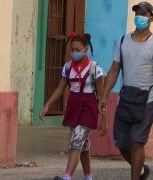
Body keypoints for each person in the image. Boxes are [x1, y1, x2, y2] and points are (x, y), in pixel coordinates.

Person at [100, 2, 153, 180]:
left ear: (151, 18)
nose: (139, 17)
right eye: (137, 13)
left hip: (147, 101)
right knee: (121, 143)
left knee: (137, 142)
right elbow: (114, 69)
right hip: (126, 99)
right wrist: (104, 96)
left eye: (143, 14)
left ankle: (135, 177)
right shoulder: (123, 41)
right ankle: (141, 170)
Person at [40, 32, 108, 180]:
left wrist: (104, 119)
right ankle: (88, 176)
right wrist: (47, 105)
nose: (74, 53)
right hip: (74, 106)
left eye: (78, 50)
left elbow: (102, 97)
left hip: (89, 108)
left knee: (76, 141)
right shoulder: (68, 67)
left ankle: (67, 176)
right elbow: (60, 88)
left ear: (86, 49)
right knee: (83, 145)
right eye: (72, 49)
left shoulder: (94, 69)